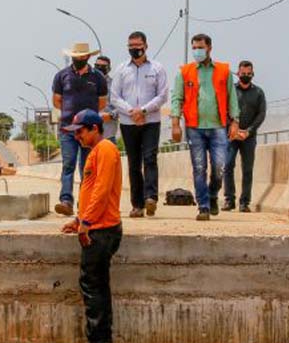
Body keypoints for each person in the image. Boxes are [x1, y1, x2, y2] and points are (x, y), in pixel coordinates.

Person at [59, 109, 123, 343]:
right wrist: (78, 220)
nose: (78, 137)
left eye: (81, 132)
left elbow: (102, 190)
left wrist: (86, 222)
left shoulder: (105, 150)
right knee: (98, 285)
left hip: (101, 229)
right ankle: (103, 341)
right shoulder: (97, 152)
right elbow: (92, 191)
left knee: (92, 285)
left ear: (95, 128)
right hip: (98, 225)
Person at [170, 34, 240, 221]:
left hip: (218, 127)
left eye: (200, 47)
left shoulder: (224, 71)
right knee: (199, 167)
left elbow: (232, 97)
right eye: (194, 48)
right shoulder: (185, 72)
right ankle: (203, 206)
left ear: (209, 48)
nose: (196, 51)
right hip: (195, 127)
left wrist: (235, 121)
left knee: (220, 167)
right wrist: (175, 123)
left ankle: (212, 195)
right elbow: (177, 98)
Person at [110, 31, 169, 218]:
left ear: (146, 46)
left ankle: (151, 197)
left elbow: (163, 95)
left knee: (150, 158)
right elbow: (114, 97)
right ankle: (137, 204)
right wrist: (131, 112)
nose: (134, 50)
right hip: (128, 123)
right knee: (134, 163)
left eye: (138, 46)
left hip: (150, 121)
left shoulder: (157, 69)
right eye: (131, 46)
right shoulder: (121, 70)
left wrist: (143, 110)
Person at [52, 43, 108, 216]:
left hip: (89, 131)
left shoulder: (98, 77)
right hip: (68, 129)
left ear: (87, 57)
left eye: (80, 57)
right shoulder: (62, 76)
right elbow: (57, 101)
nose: (77, 60)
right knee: (68, 164)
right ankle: (66, 200)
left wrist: (86, 116)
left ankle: (86, 202)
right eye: (74, 57)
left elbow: (102, 103)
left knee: (87, 167)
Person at [222, 60, 266, 213]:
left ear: (252, 74)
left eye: (249, 74)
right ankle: (229, 200)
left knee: (247, 169)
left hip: (249, 137)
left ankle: (244, 202)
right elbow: (224, 110)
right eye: (243, 74)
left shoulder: (259, 93)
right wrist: (232, 128)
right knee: (227, 166)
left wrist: (249, 131)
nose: (246, 76)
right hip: (231, 136)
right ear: (238, 74)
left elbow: (261, 115)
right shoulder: (231, 91)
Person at [94, 56, 119, 143]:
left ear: (109, 68)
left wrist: (111, 115)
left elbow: (122, 107)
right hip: (89, 137)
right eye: (97, 66)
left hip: (108, 135)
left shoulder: (115, 86)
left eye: (103, 66)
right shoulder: (86, 84)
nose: (99, 69)